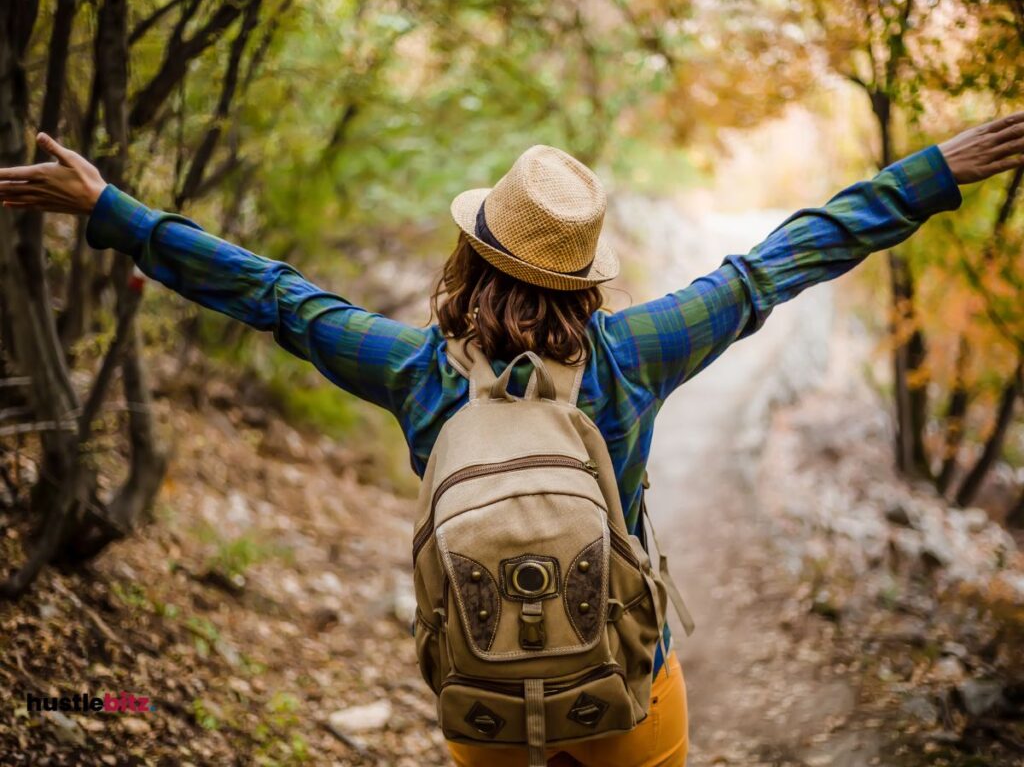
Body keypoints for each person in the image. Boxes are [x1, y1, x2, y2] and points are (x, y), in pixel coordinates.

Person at [2, 114, 1022, 767]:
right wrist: (933, 172)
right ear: (585, 275)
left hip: (481, 686)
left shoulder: (415, 369)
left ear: (471, 250)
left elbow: (272, 295)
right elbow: (774, 268)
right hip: (626, 680)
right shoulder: (634, 354)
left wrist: (114, 210)